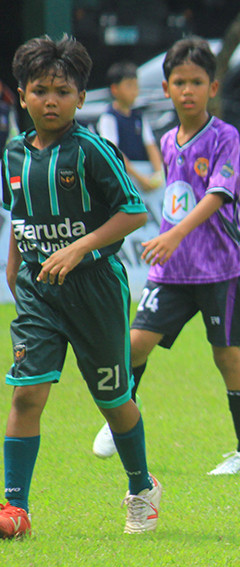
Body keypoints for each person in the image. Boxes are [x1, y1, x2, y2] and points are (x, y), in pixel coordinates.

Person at [0, 36, 162, 538]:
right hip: (38, 293)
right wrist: (14, 270)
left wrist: (79, 248)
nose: (52, 100)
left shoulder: (91, 150)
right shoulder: (12, 154)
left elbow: (134, 211)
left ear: (81, 99)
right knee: (27, 396)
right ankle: (14, 507)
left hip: (94, 290)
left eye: (63, 91)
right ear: (22, 94)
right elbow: (19, 216)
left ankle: (141, 487)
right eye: (41, 89)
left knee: (113, 400)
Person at [91, 38, 240, 475]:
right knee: (133, 344)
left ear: (213, 87)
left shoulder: (226, 137)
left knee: (227, 358)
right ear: (166, 88)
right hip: (172, 270)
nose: (188, 90)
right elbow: (175, 197)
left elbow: (217, 195)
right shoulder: (168, 139)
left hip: (219, 268)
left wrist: (176, 234)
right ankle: (121, 415)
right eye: (179, 82)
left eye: (197, 82)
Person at [95, 61, 165, 193]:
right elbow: (113, 152)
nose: (134, 91)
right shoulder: (109, 118)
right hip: (124, 183)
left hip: (144, 183)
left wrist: (158, 174)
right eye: (129, 86)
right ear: (114, 89)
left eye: (136, 86)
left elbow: (150, 146)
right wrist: (139, 178)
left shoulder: (139, 117)